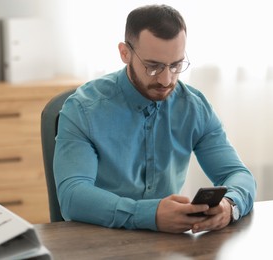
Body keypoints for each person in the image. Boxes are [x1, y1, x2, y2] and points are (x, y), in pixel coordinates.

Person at [54, 4, 256, 234]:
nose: (166, 79)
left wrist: (229, 205)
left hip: (167, 243)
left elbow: (237, 174)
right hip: (99, 240)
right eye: (153, 66)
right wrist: (149, 214)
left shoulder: (194, 107)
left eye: (176, 65)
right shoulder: (82, 109)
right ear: (125, 53)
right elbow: (72, 196)